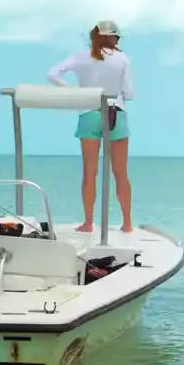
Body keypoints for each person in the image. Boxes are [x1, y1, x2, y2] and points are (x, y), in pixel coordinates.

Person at [47, 21, 135, 233]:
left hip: (89, 112)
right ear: (114, 37)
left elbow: (52, 74)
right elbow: (130, 93)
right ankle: (127, 224)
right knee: (120, 173)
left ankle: (88, 222)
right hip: (116, 112)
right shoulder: (122, 58)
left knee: (89, 172)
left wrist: (75, 93)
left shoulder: (80, 56)